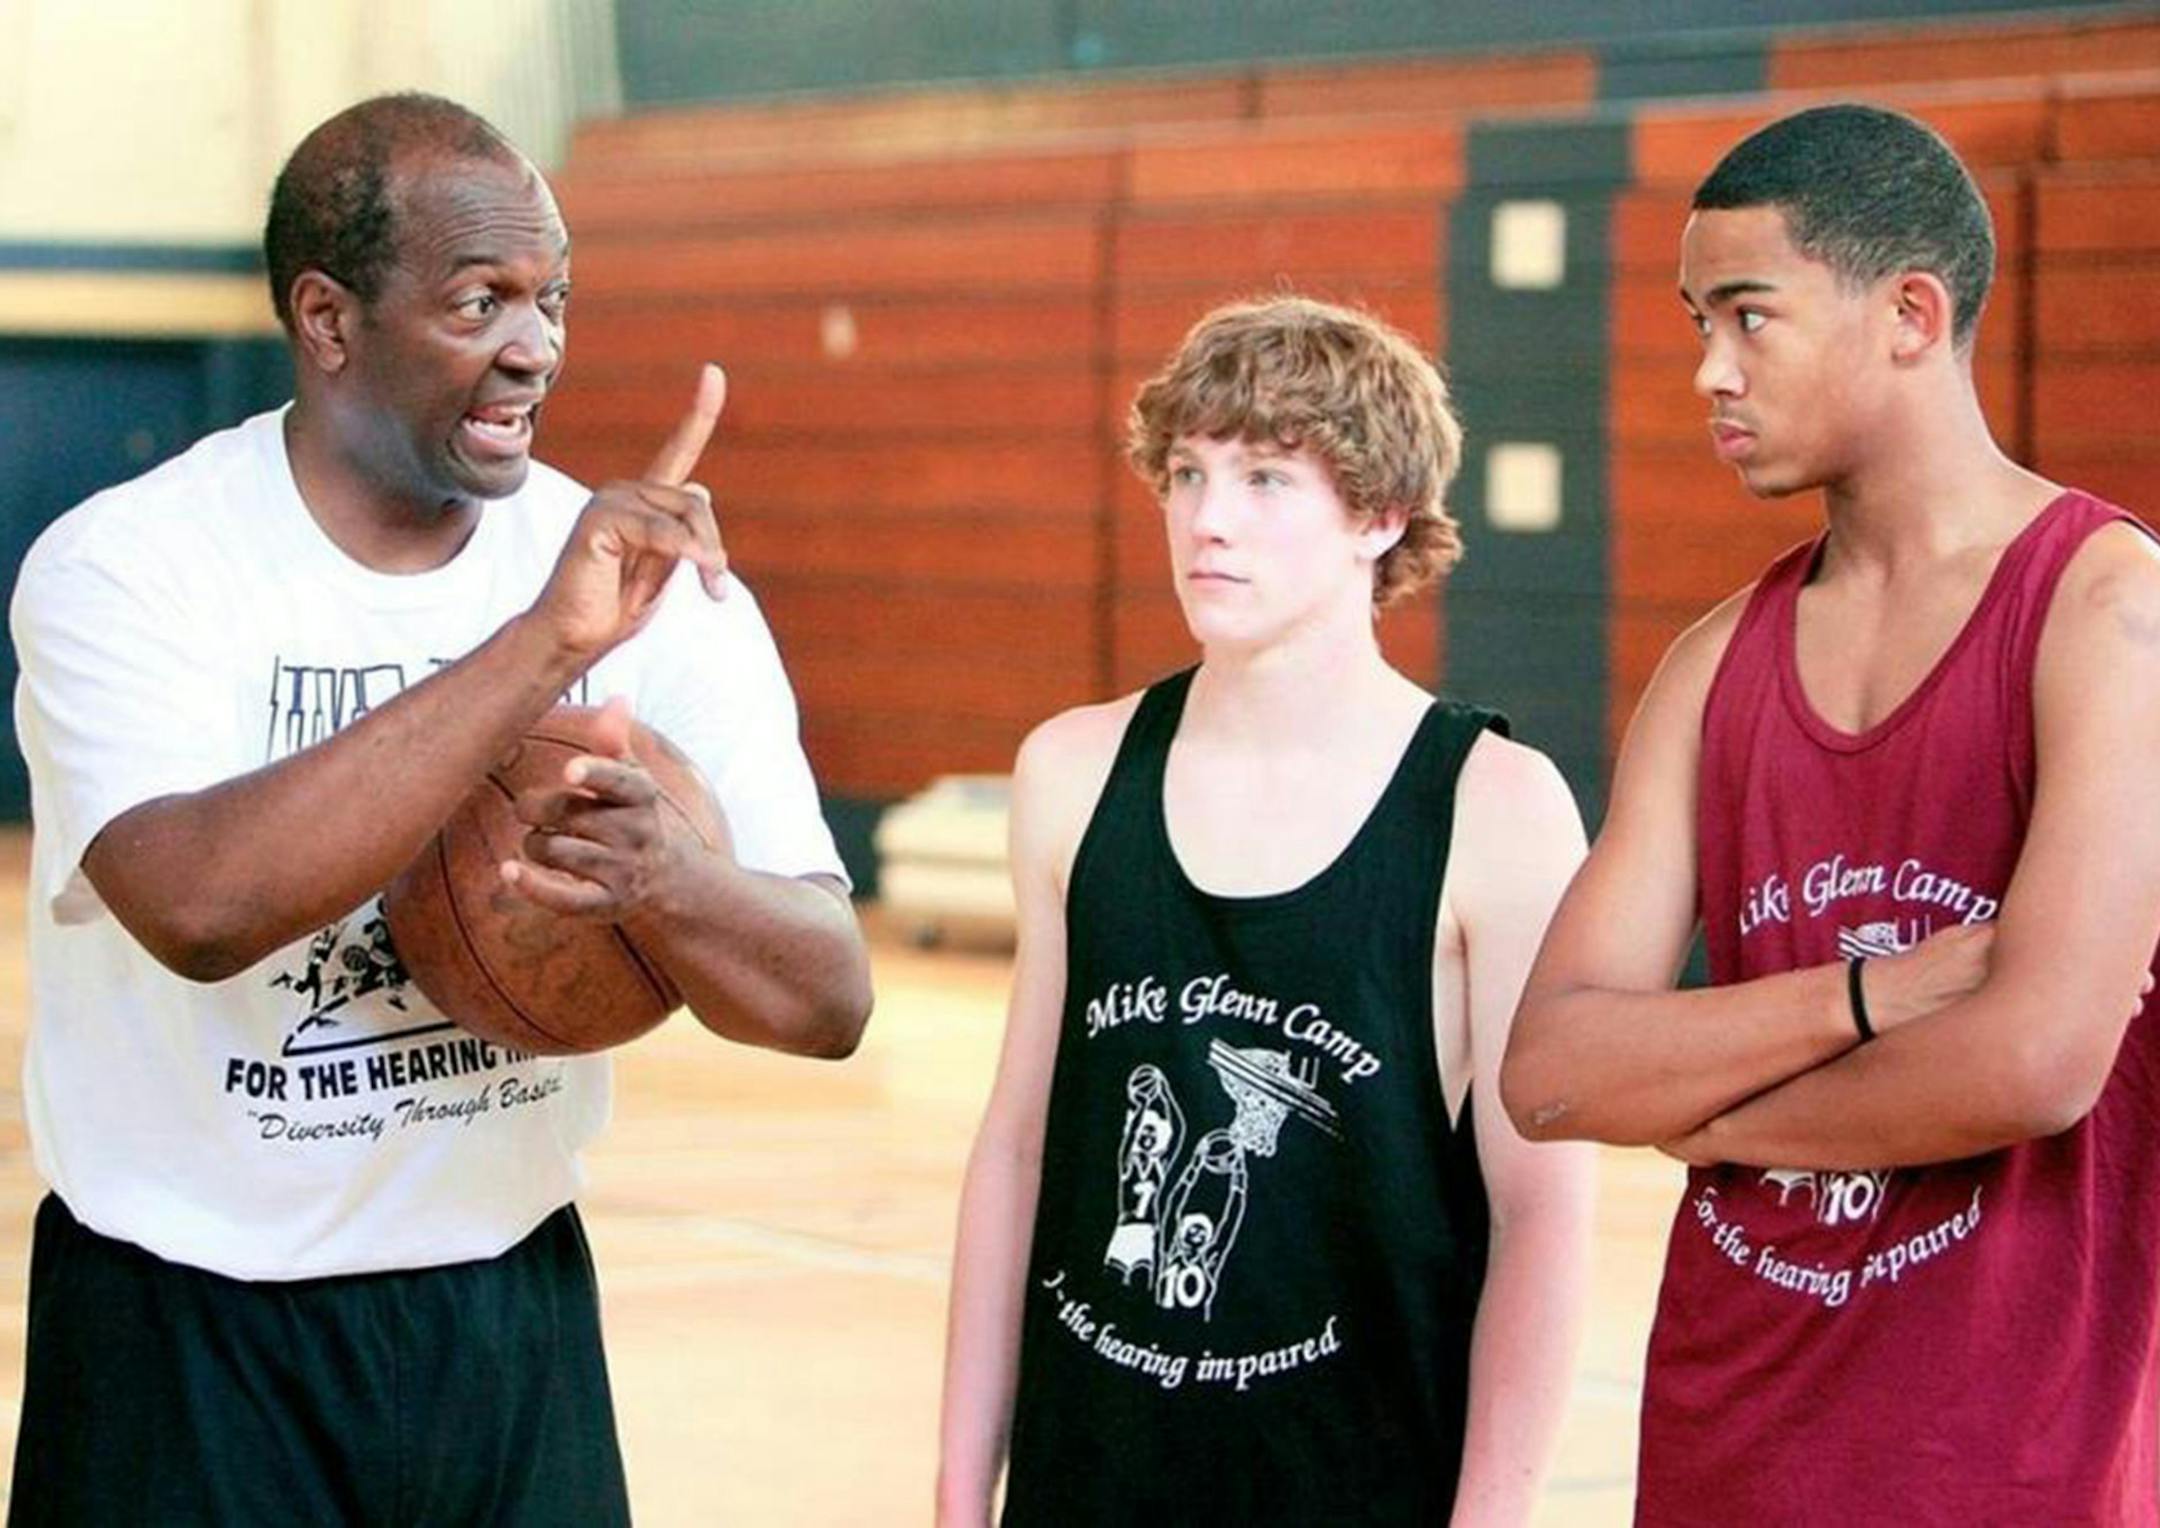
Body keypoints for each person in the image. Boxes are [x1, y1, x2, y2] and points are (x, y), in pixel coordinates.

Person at [6, 93, 872, 1525]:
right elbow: (199, 908)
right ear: (330, 319)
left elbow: (828, 998)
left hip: (508, 1315)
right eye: (482, 301)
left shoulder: (662, 580)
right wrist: (544, 642)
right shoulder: (130, 565)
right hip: (187, 1331)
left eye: (554, 300)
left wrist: (673, 880)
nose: (534, 348)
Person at [1501, 103, 2160, 1522]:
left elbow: (2038, 1065)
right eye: (1696, 323)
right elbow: (1553, 1068)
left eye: (1749, 317)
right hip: (1721, 1452)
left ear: (1911, 313)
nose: (1707, 373)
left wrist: (1712, 1111)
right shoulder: (1708, 665)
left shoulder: (2112, 613)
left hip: (2006, 1473)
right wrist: (1876, 997)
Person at [938, 295, 1596, 1524]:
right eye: (1186, 474)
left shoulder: (1494, 808)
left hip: (1357, 1481)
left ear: (1381, 513)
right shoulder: (1074, 772)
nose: (1207, 520)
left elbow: (1543, 1212)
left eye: (1265, 479)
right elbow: (1020, 1148)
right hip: (1093, 1480)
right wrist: (959, 1490)